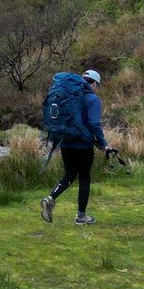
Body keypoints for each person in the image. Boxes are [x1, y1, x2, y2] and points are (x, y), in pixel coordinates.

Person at [41, 69, 114, 226]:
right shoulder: (93, 99)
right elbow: (94, 124)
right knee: (84, 178)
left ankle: (51, 198)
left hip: (66, 142)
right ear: (94, 83)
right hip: (83, 146)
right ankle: (81, 217)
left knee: (69, 175)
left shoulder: (68, 96)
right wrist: (103, 145)